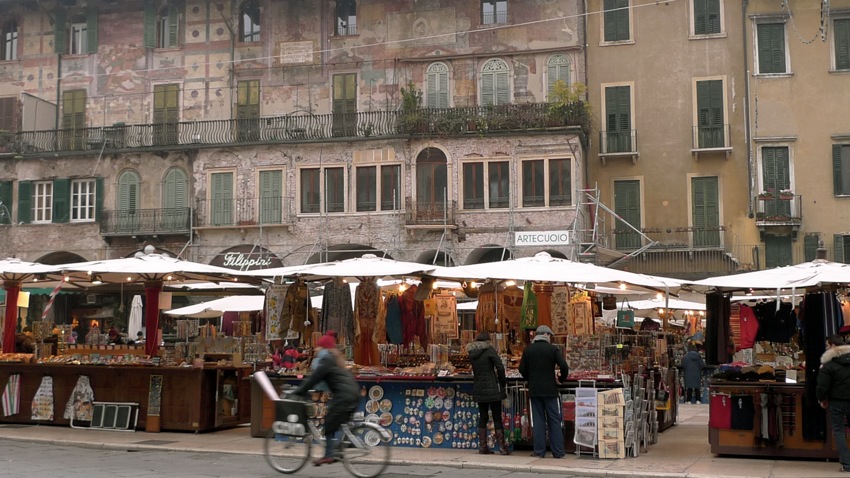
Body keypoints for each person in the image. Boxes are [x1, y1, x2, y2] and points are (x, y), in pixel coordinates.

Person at [290, 334, 360, 466]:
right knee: (337, 422)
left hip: (344, 396)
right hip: (352, 393)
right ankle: (338, 447)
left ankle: (328, 455)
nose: (316, 349)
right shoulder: (335, 360)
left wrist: (299, 391)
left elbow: (313, 378)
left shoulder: (325, 360)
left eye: (319, 346)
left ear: (324, 348)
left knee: (328, 423)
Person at [518, 325, 569, 458]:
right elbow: (564, 366)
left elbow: (521, 369)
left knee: (538, 420)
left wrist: (530, 378)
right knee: (554, 420)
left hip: (535, 390)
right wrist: (561, 379)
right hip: (550, 390)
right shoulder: (552, 349)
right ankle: (558, 451)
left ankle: (539, 451)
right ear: (546, 335)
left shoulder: (528, 350)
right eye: (550, 335)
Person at [466, 331, 510, 455]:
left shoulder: (472, 352)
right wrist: (502, 382)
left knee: (483, 416)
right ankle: (502, 447)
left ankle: (482, 446)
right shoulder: (489, 349)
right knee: (496, 416)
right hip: (492, 387)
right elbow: (500, 367)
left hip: (479, 386)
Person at [816, 335, 850, 473]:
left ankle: (847, 464)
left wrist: (822, 399)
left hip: (836, 401)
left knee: (839, 431)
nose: (825, 348)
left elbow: (822, 386)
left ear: (833, 346)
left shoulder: (829, 365)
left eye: (827, 345)